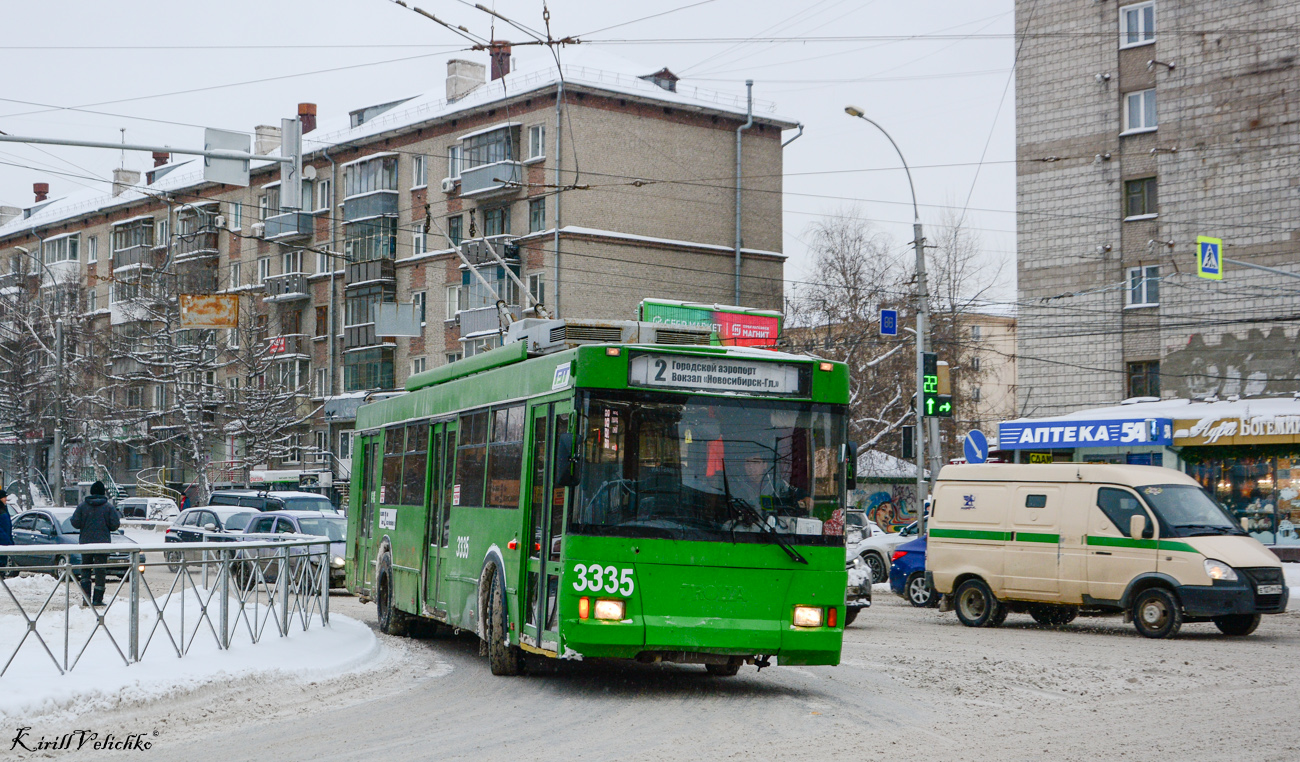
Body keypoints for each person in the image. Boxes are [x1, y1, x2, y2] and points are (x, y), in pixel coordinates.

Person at [70, 481, 120, 607]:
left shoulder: (82, 506)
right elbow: (115, 525)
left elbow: (74, 523)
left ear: (91, 492)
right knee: (100, 572)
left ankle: (86, 598)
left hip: (86, 543)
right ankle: (97, 599)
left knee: (85, 571)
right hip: (102, 544)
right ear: (103, 493)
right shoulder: (108, 507)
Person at [0, 490, 12, 578]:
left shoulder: (4, 508)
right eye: (4, 497)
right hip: (2, 542)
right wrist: (6, 539)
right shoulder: (1, 510)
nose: (6, 499)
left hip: (5, 541)